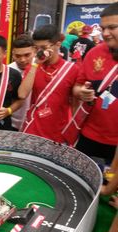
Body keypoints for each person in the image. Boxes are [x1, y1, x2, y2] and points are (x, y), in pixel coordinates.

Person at [18, 24, 81, 143]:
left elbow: (75, 105)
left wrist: (74, 132)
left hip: (58, 133)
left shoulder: (72, 70)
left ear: (58, 44)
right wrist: (35, 64)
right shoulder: (33, 67)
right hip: (33, 129)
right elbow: (22, 94)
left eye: (44, 47)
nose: (40, 52)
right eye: (36, 48)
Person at [73, 3, 118, 168]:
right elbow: (76, 87)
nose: (105, 33)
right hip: (89, 137)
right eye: (102, 28)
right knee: (84, 184)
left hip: (115, 145)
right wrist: (81, 92)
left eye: (112, 27)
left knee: (111, 189)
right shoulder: (94, 53)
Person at [9, 34, 36, 131]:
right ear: (12, 54)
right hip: (12, 124)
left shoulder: (41, 69)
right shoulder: (7, 71)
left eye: (27, 55)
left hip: (35, 124)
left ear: (34, 51)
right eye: (18, 56)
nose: (22, 60)